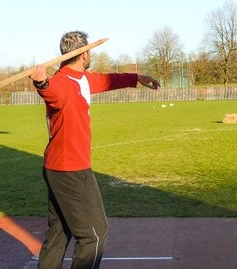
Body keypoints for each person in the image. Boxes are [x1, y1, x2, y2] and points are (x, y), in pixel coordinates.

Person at [30, 30, 160, 269]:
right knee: (95, 234)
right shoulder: (61, 83)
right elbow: (52, 94)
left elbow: (109, 80)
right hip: (70, 170)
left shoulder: (83, 80)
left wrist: (138, 77)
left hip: (58, 167)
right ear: (84, 54)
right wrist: (41, 82)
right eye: (89, 51)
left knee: (59, 232)